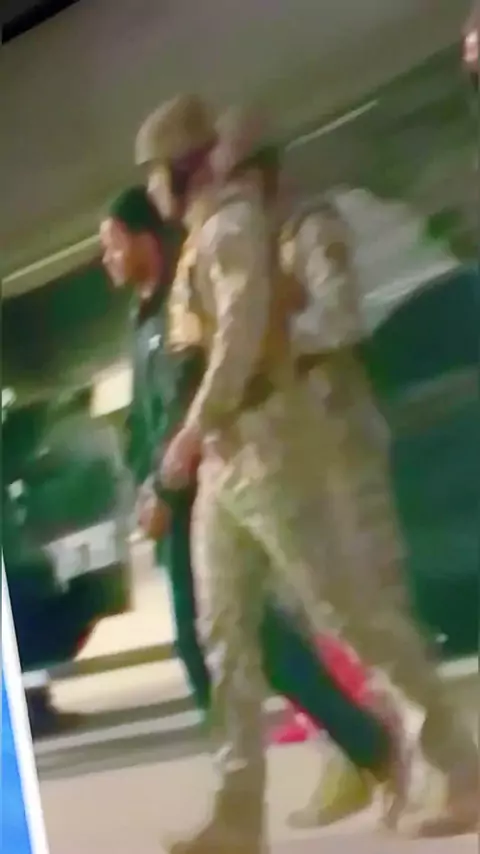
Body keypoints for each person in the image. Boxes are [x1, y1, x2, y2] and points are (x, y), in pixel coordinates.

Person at [135, 95, 478, 851]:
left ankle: (459, 766)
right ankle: (236, 813)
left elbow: (240, 338)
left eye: (156, 173)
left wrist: (193, 430)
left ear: (177, 171)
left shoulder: (233, 230)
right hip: (226, 455)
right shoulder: (206, 236)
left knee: (347, 609)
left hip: (272, 444)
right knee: (224, 632)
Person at [99, 184, 402, 827]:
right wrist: (143, 484)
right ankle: (359, 747)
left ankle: (353, 751)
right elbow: (142, 420)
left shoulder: (178, 310)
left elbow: (186, 404)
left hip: (202, 489)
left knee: (224, 643)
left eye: (113, 244)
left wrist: (165, 488)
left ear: (144, 239)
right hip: (173, 496)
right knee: (240, 640)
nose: (107, 258)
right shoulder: (140, 320)